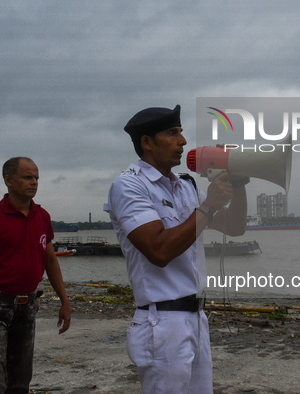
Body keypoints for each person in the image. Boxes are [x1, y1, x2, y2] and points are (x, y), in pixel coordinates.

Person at [104, 105, 248, 393]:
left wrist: (238, 182)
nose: (182, 141)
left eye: (181, 132)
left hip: (196, 317)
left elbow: (234, 226)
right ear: (147, 142)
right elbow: (158, 251)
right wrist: (208, 206)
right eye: (172, 133)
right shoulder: (130, 186)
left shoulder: (185, 187)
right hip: (162, 322)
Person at [0, 157, 71, 394]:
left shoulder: (42, 217)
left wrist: (65, 301)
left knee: (20, 383)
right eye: (27, 177)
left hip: (26, 308)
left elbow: (50, 260)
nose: (34, 182)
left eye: (36, 177)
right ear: (8, 180)